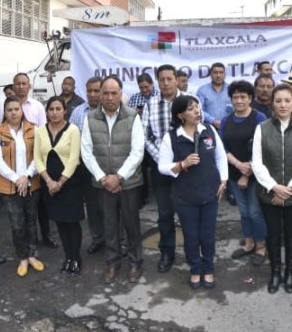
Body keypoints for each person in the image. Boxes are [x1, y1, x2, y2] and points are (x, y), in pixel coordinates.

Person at [81, 76, 146, 285]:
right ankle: (112, 263)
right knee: (109, 226)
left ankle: (135, 263)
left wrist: (118, 177)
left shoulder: (133, 116)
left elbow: (137, 152)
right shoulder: (90, 118)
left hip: (128, 183)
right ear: (100, 94)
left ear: (120, 94)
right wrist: (103, 178)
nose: (109, 98)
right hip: (104, 184)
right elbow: (86, 152)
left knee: (131, 224)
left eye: (114, 93)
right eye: (106, 93)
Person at [158, 96, 227, 290]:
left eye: (197, 107)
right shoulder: (172, 137)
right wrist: (182, 164)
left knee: (208, 235)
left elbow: (221, 158)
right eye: (191, 109)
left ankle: (208, 268)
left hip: (210, 193)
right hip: (185, 196)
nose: (197, 111)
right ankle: (195, 268)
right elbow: (162, 167)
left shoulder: (209, 130)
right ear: (181, 115)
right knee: (191, 235)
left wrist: (223, 181)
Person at [251, 84, 292, 293]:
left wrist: (289, 188)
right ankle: (275, 272)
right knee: (273, 234)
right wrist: (274, 187)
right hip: (269, 194)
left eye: (287, 100)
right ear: (272, 104)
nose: (283, 105)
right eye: (278, 101)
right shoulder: (262, 128)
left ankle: (289, 272)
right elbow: (257, 163)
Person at [0, 97, 44, 278]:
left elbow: (38, 156)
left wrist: (26, 176)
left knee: (31, 221)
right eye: (9, 110)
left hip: (31, 184)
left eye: (16, 109)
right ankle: (22, 257)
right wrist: (16, 178)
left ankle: (32, 255)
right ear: (4, 112)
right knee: (17, 224)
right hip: (9, 186)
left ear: (22, 111)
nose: (13, 113)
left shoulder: (33, 129)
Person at [142, 65, 186, 273]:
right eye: (162, 79)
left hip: (188, 168)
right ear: (157, 82)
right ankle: (167, 252)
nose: (166, 83)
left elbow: (199, 130)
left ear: (177, 79)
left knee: (188, 212)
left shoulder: (190, 101)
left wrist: (184, 162)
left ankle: (193, 250)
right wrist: (164, 161)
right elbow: (145, 137)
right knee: (165, 213)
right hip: (161, 169)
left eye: (170, 79)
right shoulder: (150, 104)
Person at [36, 96, 85, 274]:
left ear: (65, 111)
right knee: (60, 222)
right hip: (50, 185)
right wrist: (49, 181)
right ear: (47, 112)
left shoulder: (73, 130)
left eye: (58, 109)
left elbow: (73, 158)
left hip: (70, 183)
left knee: (72, 222)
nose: (55, 113)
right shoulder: (40, 131)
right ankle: (67, 257)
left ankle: (76, 258)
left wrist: (61, 182)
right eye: (51, 109)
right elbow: (37, 159)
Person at [220, 80, 268, 265]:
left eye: (243, 97)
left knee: (255, 213)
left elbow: (262, 148)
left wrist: (246, 174)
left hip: (256, 175)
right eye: (235, 97)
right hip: (234, 174)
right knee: (244, 212)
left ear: (250, 98)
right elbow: (222, 148)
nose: (239, 101)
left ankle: (261, 246)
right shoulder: (226, 120)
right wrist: (238, 165)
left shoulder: (259, 118)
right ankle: (249, 243)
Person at [70, 76, 105, 254]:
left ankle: (116, 240)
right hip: (85, 166)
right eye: (89, 91)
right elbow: (71, 139)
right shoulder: (77, 112)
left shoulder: (110, 110)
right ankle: (97, 238)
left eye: (96, 91)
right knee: (92, 206)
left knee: (111, 206)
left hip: (107, 165)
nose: (92, 94)